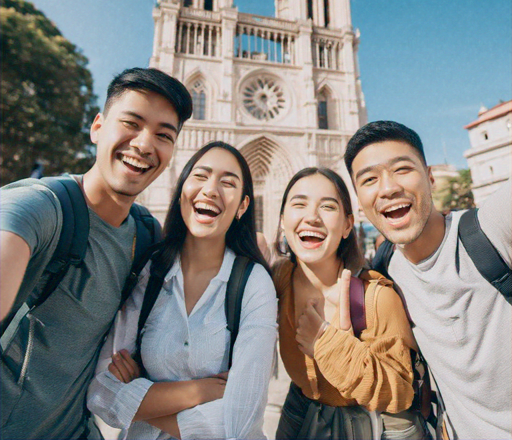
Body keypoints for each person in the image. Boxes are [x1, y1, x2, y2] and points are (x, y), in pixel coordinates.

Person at [0, 67, 193, 439]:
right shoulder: (39, 207)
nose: (143, 143)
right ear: (97, 126)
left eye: (163, 135)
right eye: (132, 123)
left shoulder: (146, 234)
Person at [88, 141, 278, 440]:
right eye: (200, 176)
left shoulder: (254, 283)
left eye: (228, 182)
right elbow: (100, 391)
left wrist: (142, 394)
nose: (211, 190)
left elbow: (240, 423)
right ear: (181, 191)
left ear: (243, 205)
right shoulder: (151, 273)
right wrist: (198, 391)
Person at [344, 120, 511, 440]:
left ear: (430, 177)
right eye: (369, 179)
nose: (388, 187)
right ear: (360, 205)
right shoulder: (384, 273)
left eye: (402, 169)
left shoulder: (493, 227)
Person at [273, 167, 428, 440]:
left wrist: (327, 345)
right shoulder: (277, 280)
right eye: (299, 204)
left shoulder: (375, 297)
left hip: (365, 427)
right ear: (282, 220)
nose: (312, 217)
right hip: (297, 413)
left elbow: (400, 391)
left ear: (347, 225)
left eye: (328, 207)